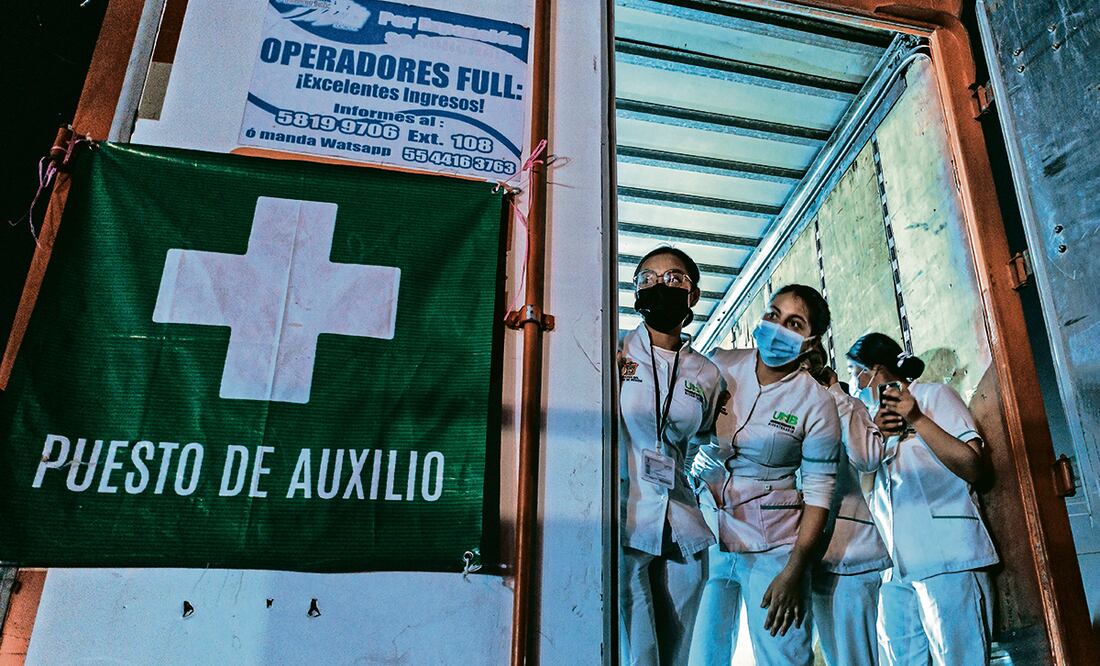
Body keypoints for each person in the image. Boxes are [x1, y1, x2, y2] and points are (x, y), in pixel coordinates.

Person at [689, 284, 840, 666]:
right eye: (773, 315)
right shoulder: (720, 364)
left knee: (783, 655)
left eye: (794, 323)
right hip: (709, 531)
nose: (778, 328)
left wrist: (795, 569)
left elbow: (819, 492)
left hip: (774, 547)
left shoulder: (816, 402)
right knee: (699, 654)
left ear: (810, 342)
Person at [845, 332, 998, 666]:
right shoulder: (873, 424)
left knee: (960, 659)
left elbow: (973, 467)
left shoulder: (934, 396)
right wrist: (876, 439)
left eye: (854, 372)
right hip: (895, 568)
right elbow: (868, 494)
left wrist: (917, 419)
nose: (854, 384)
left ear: (874, 370)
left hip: (948, 557)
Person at [619, 247, 723, 666]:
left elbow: (706, 441)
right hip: (626, 515)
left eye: (674, 278)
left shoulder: (707, 373)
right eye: (648, 278)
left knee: (677, 655)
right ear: (636, 293)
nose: (660, 285)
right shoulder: (616, 349)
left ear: (693, 294)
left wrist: (690, 478)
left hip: (681, 519)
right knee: (638, 653)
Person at [803, 341, 891, 666]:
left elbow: (867, 458)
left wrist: (835, 395)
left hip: (852, 555)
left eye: (811, 359)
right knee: (832, 657)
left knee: (855, 660)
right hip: (808, 557)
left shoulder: (848, 405)